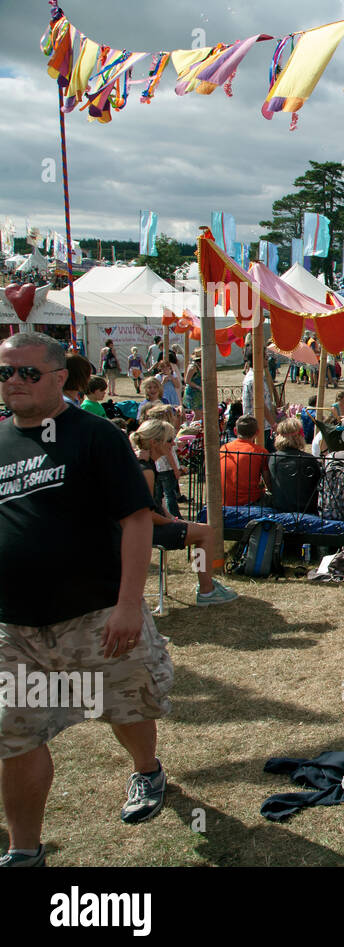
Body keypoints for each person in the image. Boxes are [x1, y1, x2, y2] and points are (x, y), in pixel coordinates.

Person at [0, 332, 172, 867]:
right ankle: (24, 850)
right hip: (14, 625)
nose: (13, 382)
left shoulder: (95, 436)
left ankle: (147, 769)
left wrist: (127, 604)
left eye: (28, 372)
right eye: (5, 372)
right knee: (15, 735)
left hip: (96, 613)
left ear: (58, 378)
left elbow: (138, 520)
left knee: (126, 707)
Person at [131, 419, 237, 606]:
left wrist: (171, 517)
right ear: (155, 442)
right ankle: (205, 589)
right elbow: (144, 513)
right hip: (145, 531)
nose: (173, 444)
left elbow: (155, 503)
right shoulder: (145, 470)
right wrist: (171, 523)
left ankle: (206, 584)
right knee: (205, 532)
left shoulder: (147, 463)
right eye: (169, 440)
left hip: (150, 526)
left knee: (203, 530)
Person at [267, 417, 321, 514]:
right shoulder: (310, 460)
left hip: (280, 510)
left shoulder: (272, 458)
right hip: (306, 512)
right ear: (299, 436)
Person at [219, 415, 271, 509]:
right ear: (257, 432)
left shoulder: (224, 449)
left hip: (224, 503)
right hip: (250, 503)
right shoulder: (261, 452)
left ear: (235, 431)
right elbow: (269, 482)